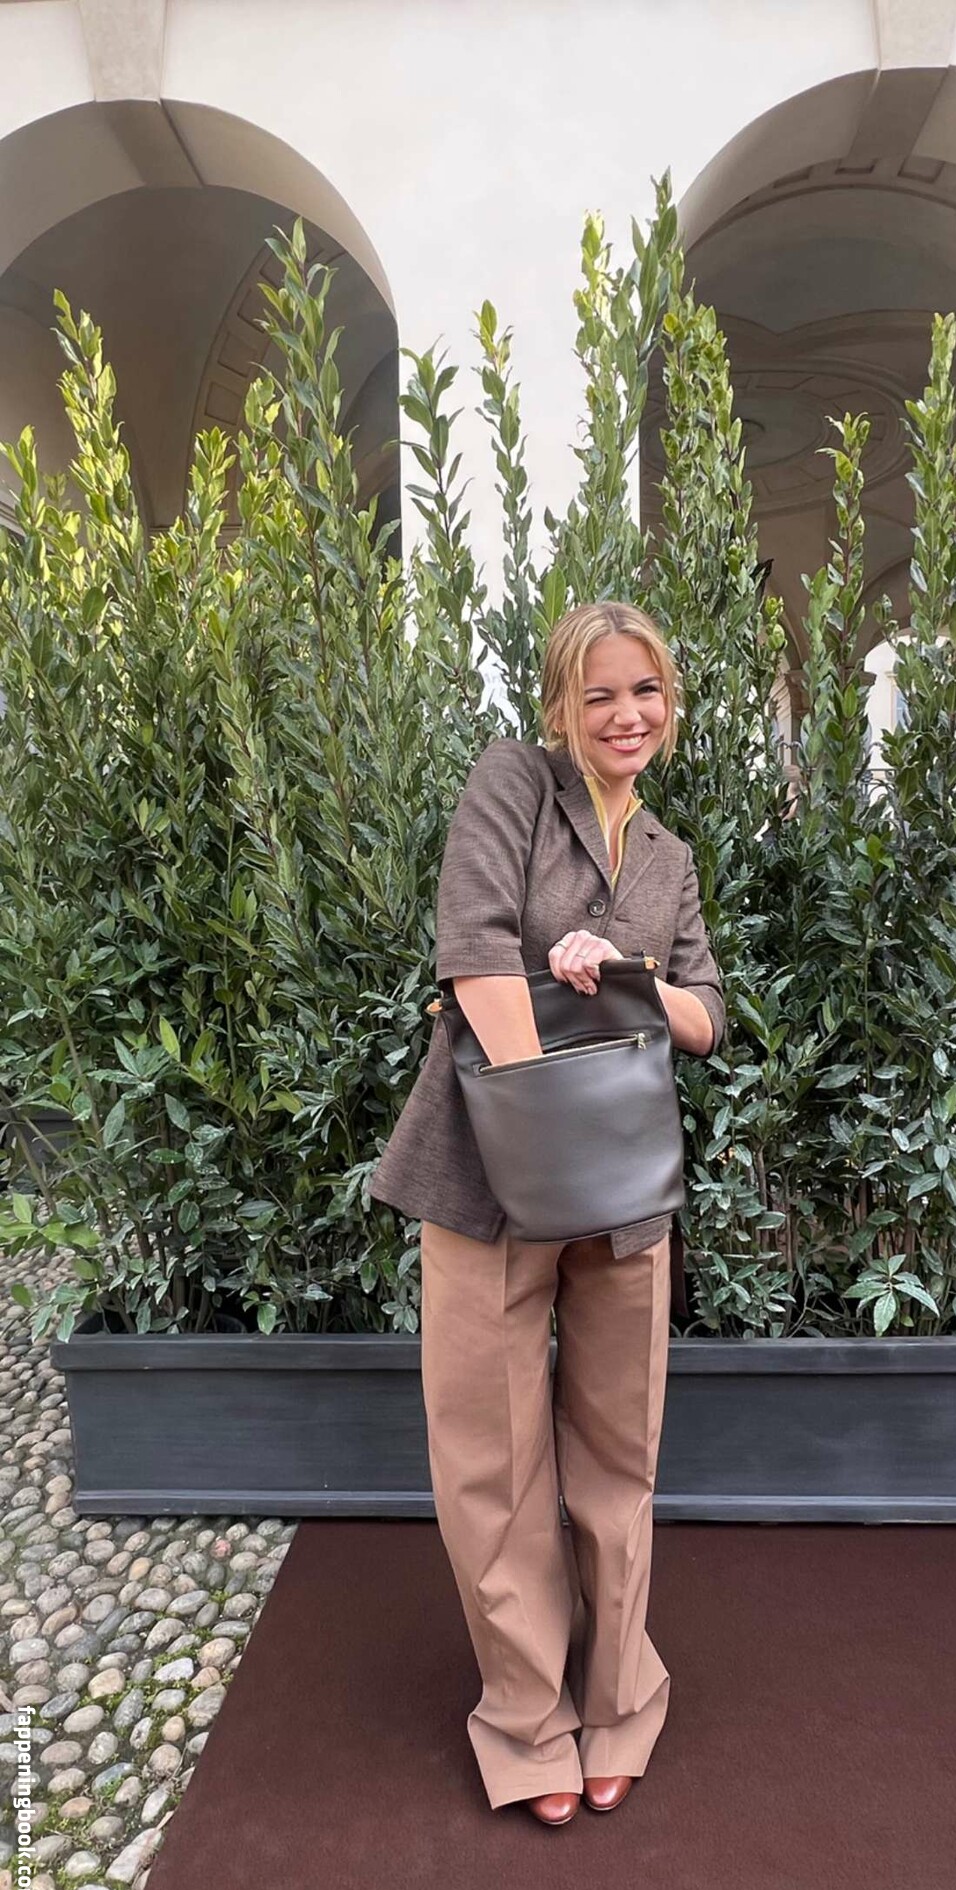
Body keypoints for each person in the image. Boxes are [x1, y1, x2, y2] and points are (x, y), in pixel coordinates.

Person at [369, 600, 725, 1825]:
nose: (627, 714)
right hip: (488, 1183)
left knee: (620, 1457)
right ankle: (527, 1722)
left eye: (647, 691)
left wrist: (625, 976)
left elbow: (704, 1014)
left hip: (625, 1199)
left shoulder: (669, 856)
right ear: (561, 705)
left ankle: (619, 1705)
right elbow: (471, 954)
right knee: (495, 1461)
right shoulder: (513, 785)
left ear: (670, 703)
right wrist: (544, 1122)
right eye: (601, 693)